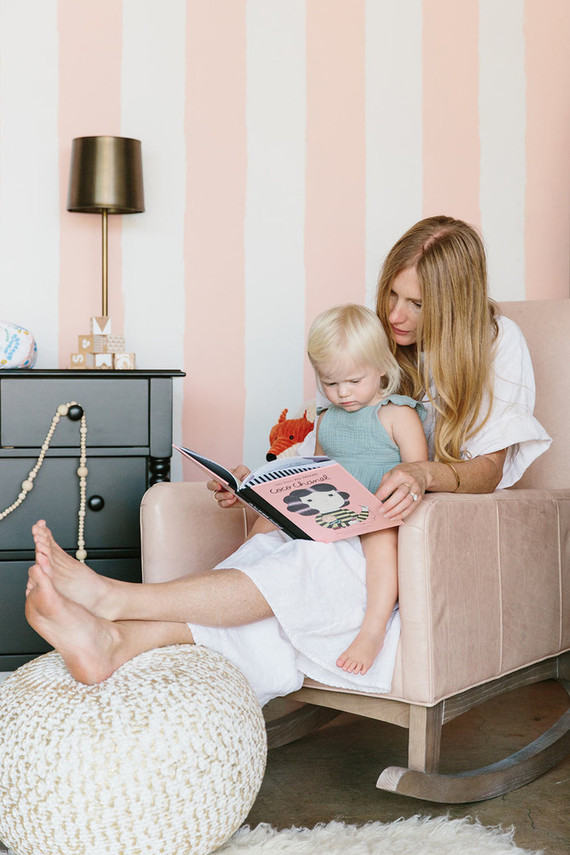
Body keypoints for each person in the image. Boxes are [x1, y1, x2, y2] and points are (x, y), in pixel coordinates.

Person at [25, 215, 551, 705]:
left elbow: (491, 468)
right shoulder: (374, 345)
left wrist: (422, 472)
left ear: (453, 306)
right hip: (338, 515)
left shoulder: (496, 342)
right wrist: (257, 486)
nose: (395, 314)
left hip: (409, 530)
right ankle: (114, 643)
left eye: (416, 303)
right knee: (270, 558)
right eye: (392, 294)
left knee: (302, 567)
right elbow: (324, 450)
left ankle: (116, 600)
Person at [248, 303, 428, 676]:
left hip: (375, 509)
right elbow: (317, 470)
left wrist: (391, 503)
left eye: (354, 381)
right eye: (330, 383)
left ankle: (373, 629)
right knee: (267, 522)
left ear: (382, 367)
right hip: (329, 507)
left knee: (382, 545)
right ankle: (242, 574)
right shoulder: (327, 419)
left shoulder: (398, 414)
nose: (342, 393)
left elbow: (418, 473)